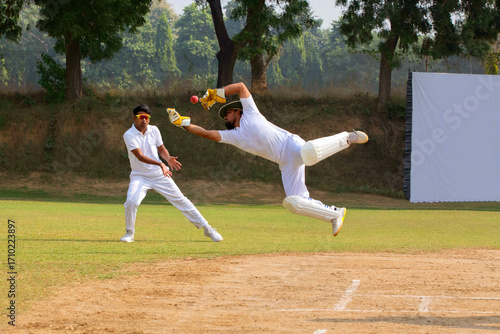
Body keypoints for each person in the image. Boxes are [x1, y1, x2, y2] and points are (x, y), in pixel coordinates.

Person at [167, 83, 368, 237]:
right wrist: (181, 122)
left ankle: (347, 138)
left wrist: (214, 94)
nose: (225, 116)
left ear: (237, 111)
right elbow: (206, 133)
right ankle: (334, 213)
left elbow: (240, 87)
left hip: (291, 145)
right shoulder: (234, 136)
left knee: (308, 153)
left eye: (227, 112)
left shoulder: (250, 112)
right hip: (285, 162)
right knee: (294, 202)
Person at [121, 104, 222, 243]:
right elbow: (139, 156)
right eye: (140, 117)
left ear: (149, 119)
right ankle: (129, 233)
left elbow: (161, 149)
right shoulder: (129, 134)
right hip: (140, 175)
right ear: (134, 118)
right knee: (131, 202)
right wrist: (161, 163)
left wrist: (167, 158)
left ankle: (208, 229)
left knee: (181, 200)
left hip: (159, 174)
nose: (144, 120)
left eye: (147, 117)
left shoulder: (154, 130)